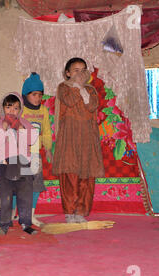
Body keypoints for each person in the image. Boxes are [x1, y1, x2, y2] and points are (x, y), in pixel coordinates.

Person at [53, 58, 105, 223]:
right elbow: (69, 101)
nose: (79, 73)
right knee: (70, 174)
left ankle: (81, 212)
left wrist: (83, 89)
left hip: (87, 138)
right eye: (75, 70)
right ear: (67, 73)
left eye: (83, 70)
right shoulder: (63, 88)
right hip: (69, 136)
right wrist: (76, 87)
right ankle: (69, 212)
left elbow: (91, 107)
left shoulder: (90, 90)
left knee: (86, 176)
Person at [0, 92, 39, 235]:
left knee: (26, 196)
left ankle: (26, 223)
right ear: (2, 109)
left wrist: (20, 128)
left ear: (20, 110)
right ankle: (4, 224)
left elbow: (32, 140)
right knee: (6, 197)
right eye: (8, 107)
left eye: (16, 108)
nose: (12, 111)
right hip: (6, 165)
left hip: (24, 164)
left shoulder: (25, 124)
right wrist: (4, 126)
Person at [12, 72, 52, 226]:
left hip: (35, 154)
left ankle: (31, 215)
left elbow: (47, 131)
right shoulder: (21, 111)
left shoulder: (43, 111)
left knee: (34, 185)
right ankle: (14, 214)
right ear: (25, 94)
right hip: (19, 154)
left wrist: (47, 148)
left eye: (40, 95)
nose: (38, 98)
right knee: (17, 184)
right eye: (34, 94)